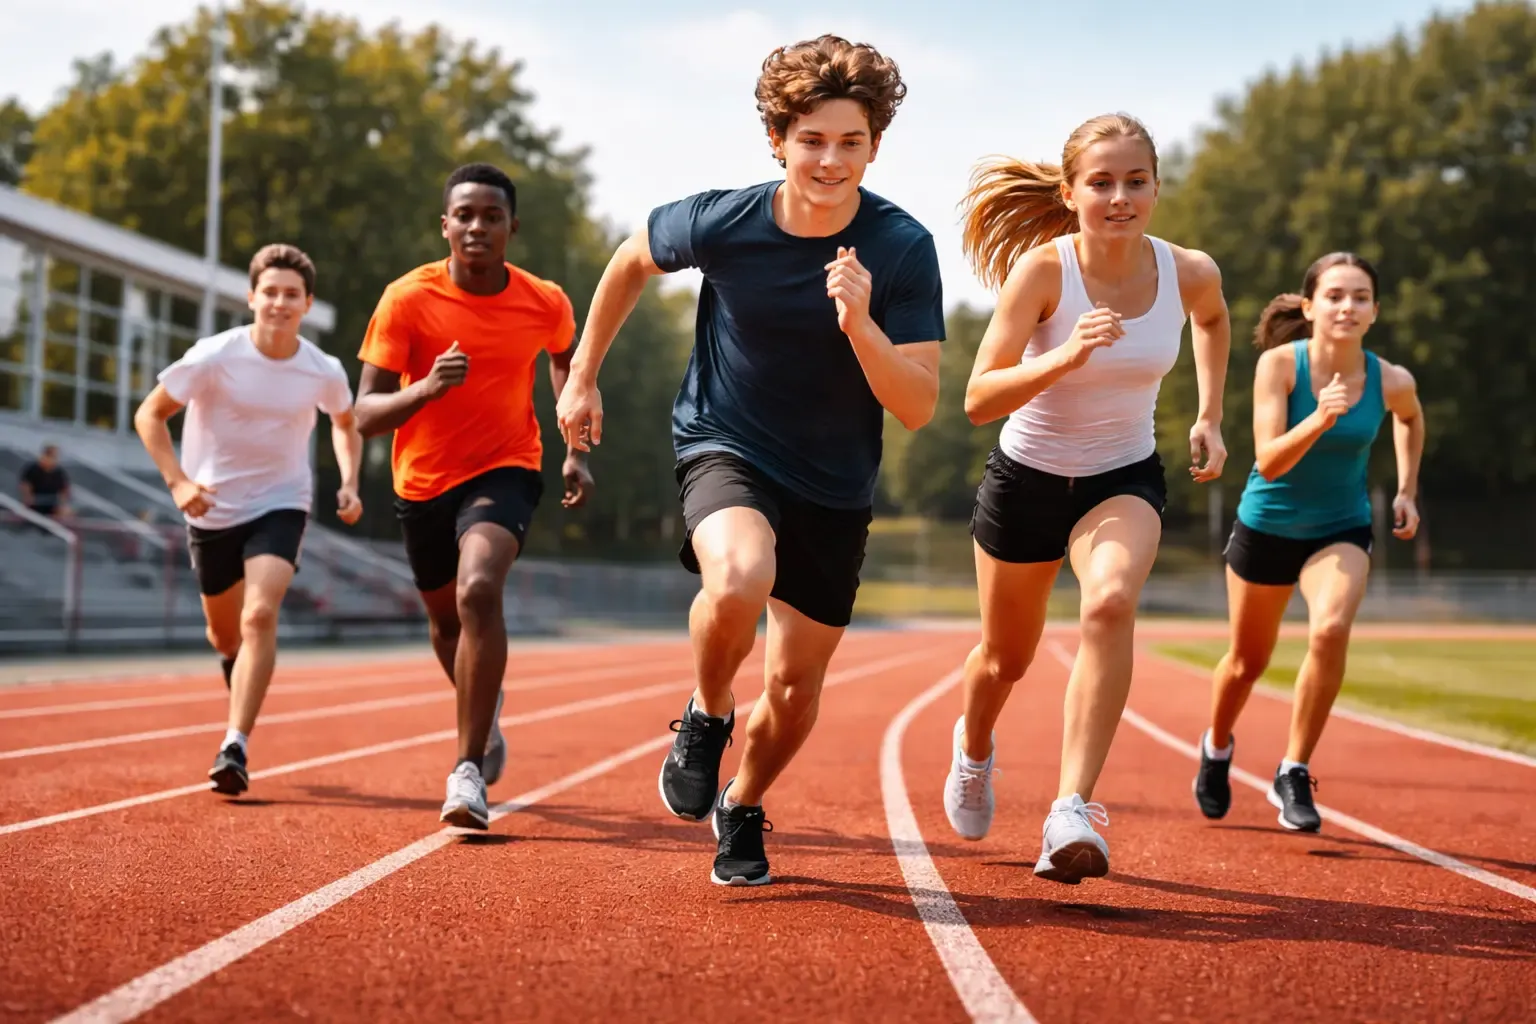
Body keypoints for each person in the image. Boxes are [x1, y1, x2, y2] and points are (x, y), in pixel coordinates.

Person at [557, 35, 943, 887]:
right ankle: (705, 712)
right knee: (736, 576)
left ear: (876, 144)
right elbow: (629, 260)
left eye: (850, 141)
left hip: (836, 484)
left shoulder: (902, 247)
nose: (830, 159)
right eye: (812, 139)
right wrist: (583, 377)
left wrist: (861, 325)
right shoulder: (726, 220)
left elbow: (916, 404)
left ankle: (744, 800)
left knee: (797, 688)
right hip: (725, 441)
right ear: (778, 139)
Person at [942, 113, 1231, 884]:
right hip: (1027, 478)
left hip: (1122, 476)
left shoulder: (1189, 270)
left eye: (1136, 181)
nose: (1120, 197)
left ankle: (1072, 806)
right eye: (1101, 183)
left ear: (1157, 187)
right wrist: (1066, 354)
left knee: (1108, 605)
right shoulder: (1043, 272)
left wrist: (1208, 412)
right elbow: (977, 398)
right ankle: (973, 749)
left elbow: (1211, 320)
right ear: (1070, 193)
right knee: (1007, 659)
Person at [354, 162, 593, 831]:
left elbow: (565, 360)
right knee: (445, 624)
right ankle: (484, 704)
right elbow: (365, 414)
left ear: (512, 226)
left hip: (506, 466)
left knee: (478, 591)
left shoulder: (544, 300)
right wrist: (425, 389)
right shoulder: (407, 299)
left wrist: (574, 448)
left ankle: (467, 772)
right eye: (464, 215)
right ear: (445, 225)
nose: (477, 227)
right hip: (422, 483)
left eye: (491, 216)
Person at [1193, 252, 1423, 833]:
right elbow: (1269, 462)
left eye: (1361, 297)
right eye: (1336, 296)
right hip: (1267, 524)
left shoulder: (1390, 379)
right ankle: (1217, 746)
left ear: (1375, 310)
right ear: (1309, 306)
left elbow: (1410, 419)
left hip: (1339, 527)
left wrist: (1406, 489)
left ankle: (1293, 768)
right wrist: (1319, 419)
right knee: (1247, 662)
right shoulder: (1280, 366)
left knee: (1329, 629)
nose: (1348, 307)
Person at [133, 243, 363, 796]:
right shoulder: (214, 356)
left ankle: (234, 743)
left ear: (306, 304)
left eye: (291, 295)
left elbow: (344, 422)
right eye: (270, 293)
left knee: (260, 615)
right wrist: (180, 483)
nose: (279, 303)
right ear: (252, 297)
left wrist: (349, 480)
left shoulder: (321, 368)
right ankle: (235, 672)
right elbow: (150, 413)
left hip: (282, 501)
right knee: (224, 631)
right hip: (212, 505)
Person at [18, 444, 70, 518]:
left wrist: (62, 502)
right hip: (36, 501)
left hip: (52, 502)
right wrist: (28, 498)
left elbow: (64, 489)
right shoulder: (32, 469)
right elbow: (25, 486)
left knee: (66, 511)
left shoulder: (59, 472)